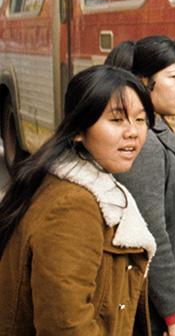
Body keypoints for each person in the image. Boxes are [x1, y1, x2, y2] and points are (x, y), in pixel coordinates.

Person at [0, 65, 157, 335]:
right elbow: (65, 325)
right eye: (117, 120)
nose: (133, 131)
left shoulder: (71, 182)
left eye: (140, 119)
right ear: (78, 130)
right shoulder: (73, 206)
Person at [108, 36, 175, 336]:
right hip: (149, 305)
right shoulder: (144, 141)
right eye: (174, 77)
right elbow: (151, 233)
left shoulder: (155, 126)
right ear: (143, 81)